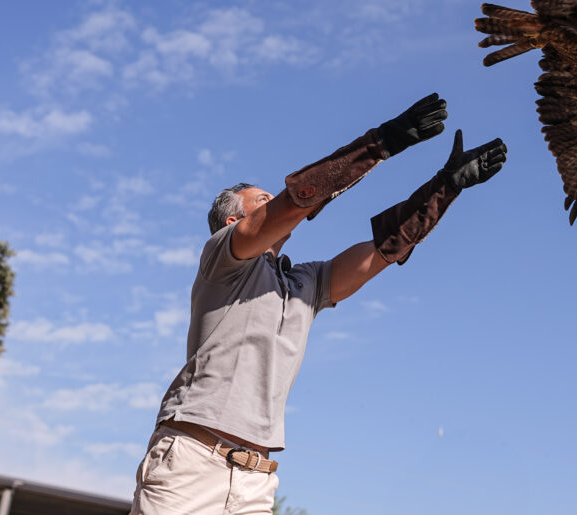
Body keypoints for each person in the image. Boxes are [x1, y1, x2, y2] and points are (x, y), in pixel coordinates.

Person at [130, 93, 506, 514]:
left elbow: (381, 251)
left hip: (257, 480)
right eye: (263, 202)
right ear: (235, 222)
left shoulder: (302, 285)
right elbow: (296, 201)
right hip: (192, 462)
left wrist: (446, 186)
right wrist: (382, 143)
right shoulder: (223, 260)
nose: (276, 205)